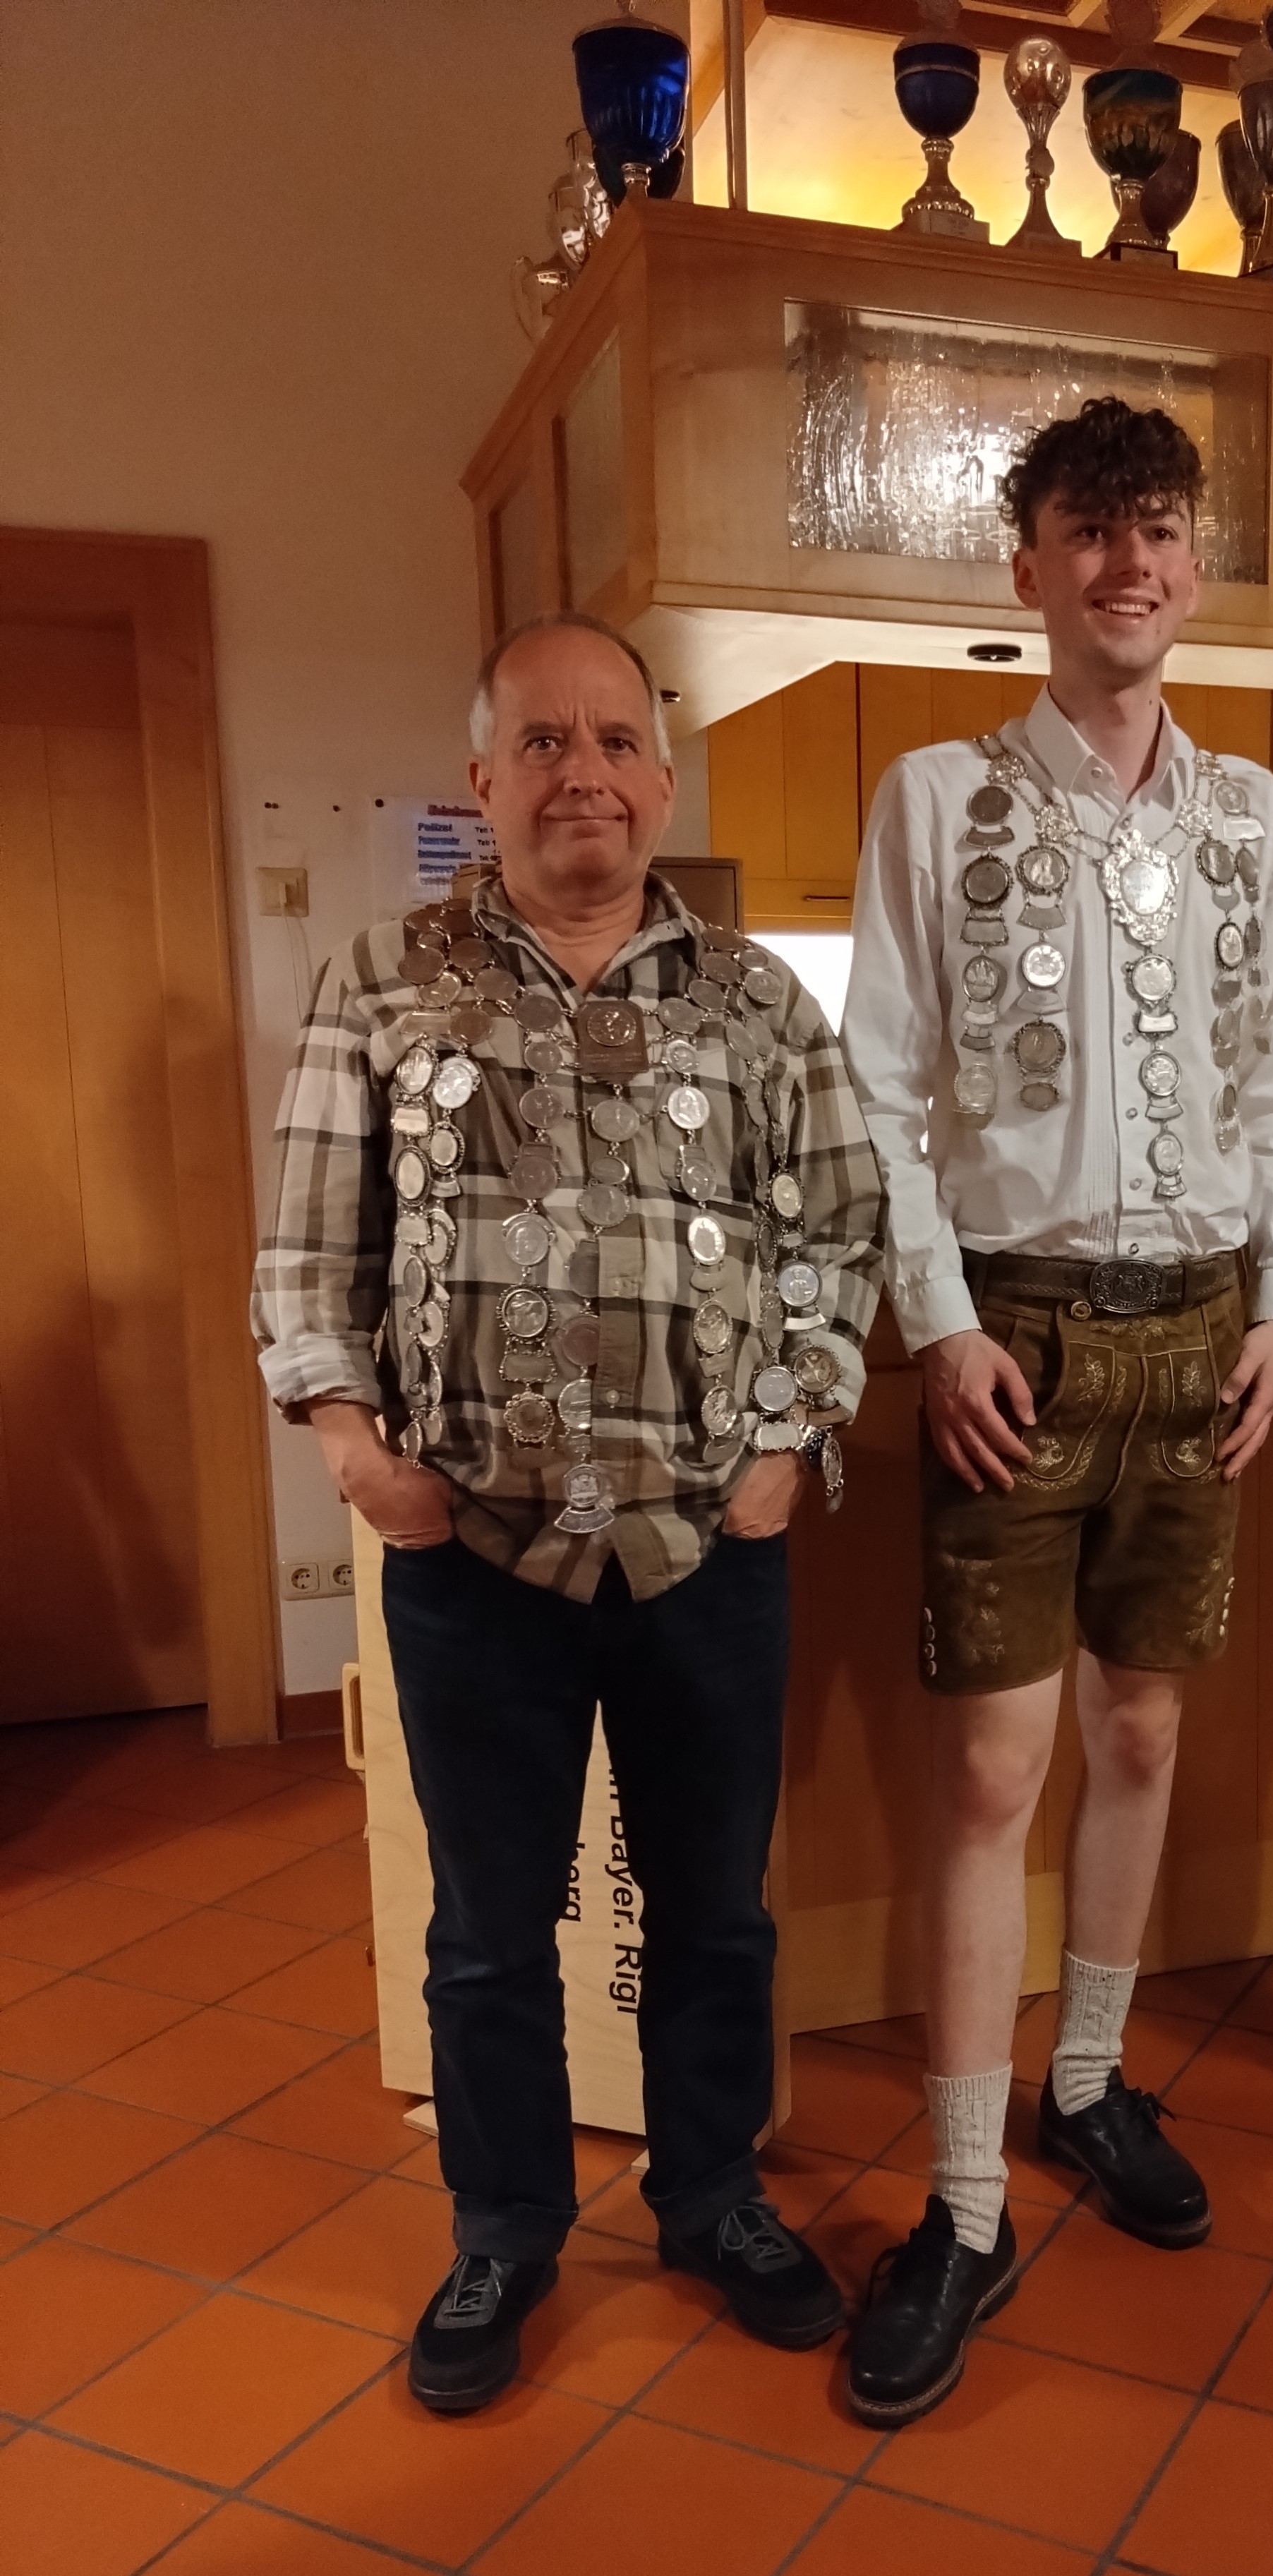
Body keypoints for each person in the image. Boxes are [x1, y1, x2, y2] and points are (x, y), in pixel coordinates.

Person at [253, 613, 883, 2412]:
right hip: (473, 1558)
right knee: (485, 1927)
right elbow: (309, 1249)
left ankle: (712, 2196)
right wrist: (354, 1452)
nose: (581, 772)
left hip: (707, 1549)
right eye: (542, 741)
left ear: (663, 780)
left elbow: (842, 1235)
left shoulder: (761, 1001)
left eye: (615, 740)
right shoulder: (383, 979)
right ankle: (506, 2225)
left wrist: (788, 1442)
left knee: (715, 1912)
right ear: (484, 777)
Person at [838, 399, 1273, 2421]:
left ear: (1193, 565)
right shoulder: (936, 799)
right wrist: (940, 1323)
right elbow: (879, 1089)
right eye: (1091, 528)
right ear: (1027, 565)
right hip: (1015, 1340)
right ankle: (962, 2205)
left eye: (1160, 528)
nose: (1131, 562)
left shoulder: (1257, 821)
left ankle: (1092, 2082)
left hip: (1200, 1331)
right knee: (987, 1772)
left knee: (1143, 1728)